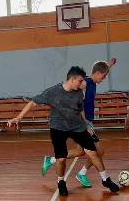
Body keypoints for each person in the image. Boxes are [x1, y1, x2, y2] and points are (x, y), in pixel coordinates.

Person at [8, 66, 120, 195]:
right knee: (61, 159)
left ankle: (106, 180)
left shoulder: (79, 92)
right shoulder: (52, 92)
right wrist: (19, 117)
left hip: (77, 126)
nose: (82, 83)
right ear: (72, 79)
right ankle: (61, 182)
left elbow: (80, 110)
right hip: (58, 128)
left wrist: (87, 125)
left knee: (93, 152)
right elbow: (33, 103)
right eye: (80, 81)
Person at [41, 58, 116, 188]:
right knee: (99, 151)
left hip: (86, 121)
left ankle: (52, 160)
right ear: (97, 73)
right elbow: (70, 88)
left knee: (80, 151)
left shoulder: (92, 80)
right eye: (103, 76)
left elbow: (99, 69)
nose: (103, 79)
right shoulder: (85, 83)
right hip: (82, 122)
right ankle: (86, 174)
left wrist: (108, 65)